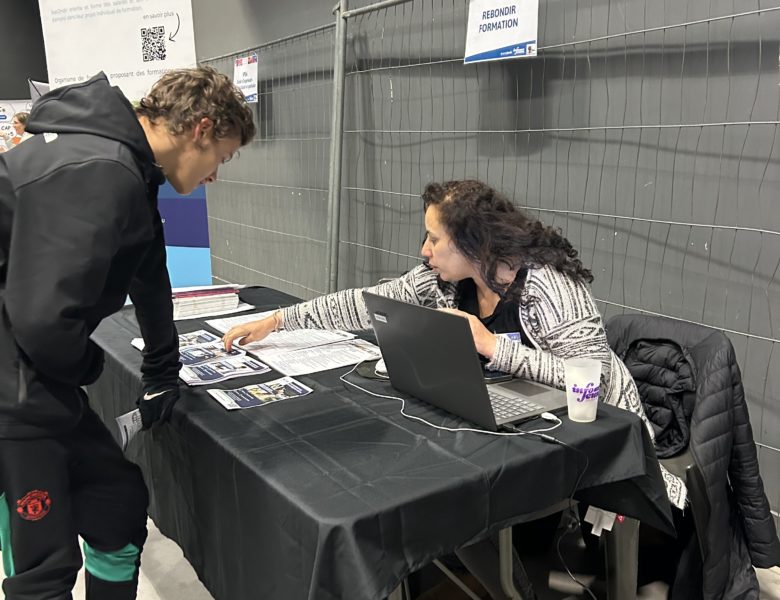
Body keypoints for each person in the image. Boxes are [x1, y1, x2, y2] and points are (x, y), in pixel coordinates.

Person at [223, 179, 686, 598]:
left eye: (434, 238)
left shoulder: (547, 285)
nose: (425, 250)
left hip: (589, 435)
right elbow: (363, 306)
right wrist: (280, 319)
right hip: (509, 420)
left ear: (472, 242)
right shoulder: (441, 282)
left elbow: (593, 379)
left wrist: (490, 347)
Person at [0, 67, 255, 599]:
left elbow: (149, 272)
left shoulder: (129, 168)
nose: (215, 176)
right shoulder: (99, 167)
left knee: (116, 503)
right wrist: (89, 368)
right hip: (12, 383)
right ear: (201, 129)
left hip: (36, 370)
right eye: (221, 158)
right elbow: (43, 320)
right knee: (43, 564)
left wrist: (163, 371)